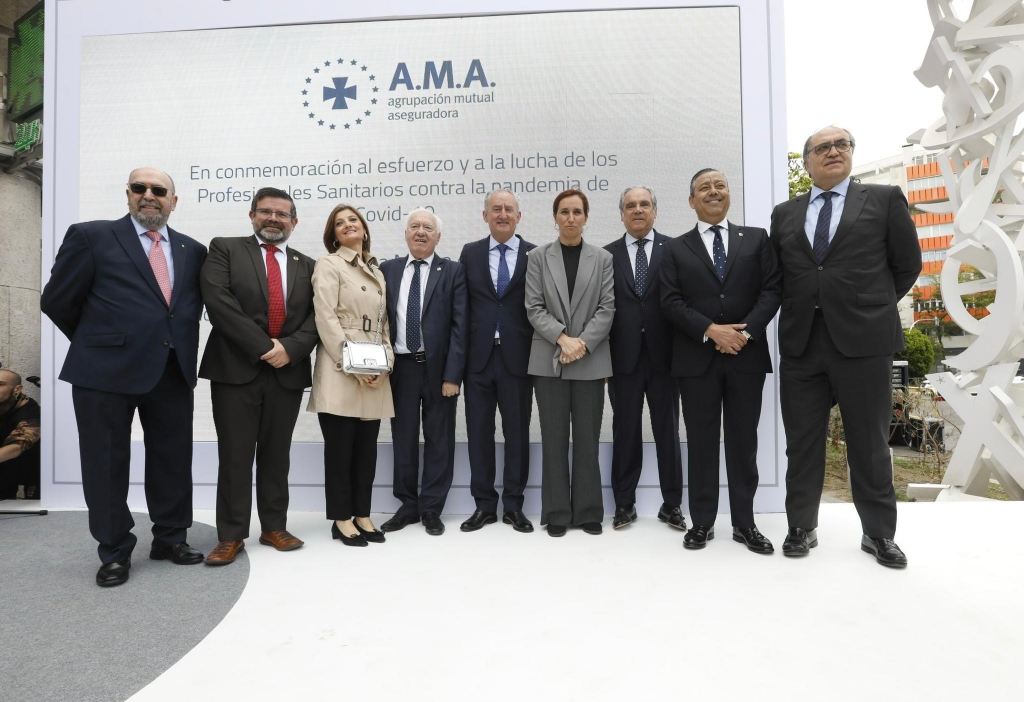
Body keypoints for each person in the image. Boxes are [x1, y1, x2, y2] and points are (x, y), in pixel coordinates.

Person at [40, 167, 208, 587]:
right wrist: (102, 340)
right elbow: (58, 300)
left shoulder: (192, 249)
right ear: (128, 194)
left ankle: (170, 538)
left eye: (159, 190)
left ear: (174, 200)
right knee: (106, 463)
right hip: (103, 372)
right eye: (140, 188)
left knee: (172, 459)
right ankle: (114, 550)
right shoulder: (92, 236)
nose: (149, 195)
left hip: (171, 371)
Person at [770, 127, 921, 567]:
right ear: (807, 161)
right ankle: (801, 526)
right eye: (822, 147)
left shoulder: (884, 198)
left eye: (842, 145)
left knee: (870, 443)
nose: (833, 152)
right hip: (802, 344)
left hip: (865, 343)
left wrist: (869, 307)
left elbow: (907, 264)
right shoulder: (784, 213)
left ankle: (878, 535)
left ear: (851, 154)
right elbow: (780, 275)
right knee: (801, 442)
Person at [660, 169, 782, 552]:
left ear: (729, 195)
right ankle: (702, 523)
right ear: (692, 201)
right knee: (701, 443)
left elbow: (772, 290)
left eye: (720, 186)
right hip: (697, 361)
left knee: (744, 443)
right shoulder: (675, 249)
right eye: (703, 189)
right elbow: (670, 302)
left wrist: (743, 335)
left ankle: (745, 524)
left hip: (746, 357)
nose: (713, 192)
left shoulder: (757, 239)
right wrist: (713, 330)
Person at [199, 187, 319, 565]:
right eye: (265, 212)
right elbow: (218, 301)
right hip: (236, 370)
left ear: (293, 222)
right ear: (252, 215)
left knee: (275, 454)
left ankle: (274, 527)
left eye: (281, 214)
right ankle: (231, 535)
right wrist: (266, 347)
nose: (273, 219)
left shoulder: (309, 265)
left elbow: (320, 316)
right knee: (235, 455)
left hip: (288, 371)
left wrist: (292, 349)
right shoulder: (225, 248)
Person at [526, 189, 615, 537]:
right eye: (564, 212)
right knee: (554, 438)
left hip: (590, 359)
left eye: (577, 212)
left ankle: (589, 510)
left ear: (586, 217)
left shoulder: (603, 258)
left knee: (588, 438)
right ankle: (558, 512)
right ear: (555, 217)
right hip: (549, 358)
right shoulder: (537, 256)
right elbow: (533, 307)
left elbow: (607, 308)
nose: (571, 218)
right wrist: (563, 339)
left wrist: (581, 344)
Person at [308, 205, 394, 547]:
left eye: (353, 220)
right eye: (339, 223)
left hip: (373, 366)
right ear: (333, 234)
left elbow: (384, 324)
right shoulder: (329, 263)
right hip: (339, 365)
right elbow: (325, 316)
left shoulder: (376, 269)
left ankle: (363, 514)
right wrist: (352, 363)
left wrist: (384, 363)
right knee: (341, 449)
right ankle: (342, 519)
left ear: (364, 228)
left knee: (366, 450)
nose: (347, 225)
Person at [378, 209, 467, 536]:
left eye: (427, 228)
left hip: (438, 370)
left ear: (438, 236)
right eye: (414, 226)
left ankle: (431, 507)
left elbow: (460, 328)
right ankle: (407, 505)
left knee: (439, 440)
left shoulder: (453, 271)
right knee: (402, 439)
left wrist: (452, 376)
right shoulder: (387, 270)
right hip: (399, 369)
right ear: (405, 233)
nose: (420, 232)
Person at [604, 186, 685, 530]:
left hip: (666, 358)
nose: (638, 210)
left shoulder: (676, 249)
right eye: (630, 205)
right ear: (621, 213)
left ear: (655, 211)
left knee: (667, 431)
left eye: (644, 204)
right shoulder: (606, 255)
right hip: (622, 359)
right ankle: (624, 505)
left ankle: (672, 505)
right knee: (625, 432)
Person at [457, 189, 537, 534]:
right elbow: (462, 308)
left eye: (509, 209)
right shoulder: (470, 253)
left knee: (517, 433)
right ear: (485, 215)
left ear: (519, 216)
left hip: (518, 359)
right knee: (479, 434)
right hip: (478, 360)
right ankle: (484, 506)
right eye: (496, 209)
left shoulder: (536, 254)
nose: (502, 214)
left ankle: (514, 506)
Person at [0, 370, 40, 501]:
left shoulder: (28, 408)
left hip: (29, 466)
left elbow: (20, 444)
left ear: (17, 389)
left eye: (0, 384)